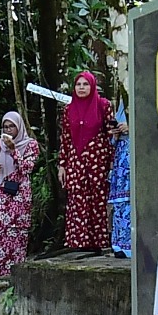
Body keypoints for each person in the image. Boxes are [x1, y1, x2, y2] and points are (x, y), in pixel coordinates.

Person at [58, 71, 114, 252]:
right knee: (78, 199)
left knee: (98, 197)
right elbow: (65, 138)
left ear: (93, 86)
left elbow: (111, 133)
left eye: (86, 84)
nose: (81, 88)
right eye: (78, 84)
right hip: (76, 160)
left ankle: (100, 241)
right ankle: (79, 241)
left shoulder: (103, 105)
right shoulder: (69, 109)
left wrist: (112, 160)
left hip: (98, 159)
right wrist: (62, 165)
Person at [0, 111, 39, 279]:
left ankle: (13, 271)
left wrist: (14, 150)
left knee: (16, 233)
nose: (8, 130)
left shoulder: (30, 145)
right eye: (5, 127)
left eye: (11, 126)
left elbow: (26, 168)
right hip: (0, 193)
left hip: (19, 195)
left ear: (19, 127)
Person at [108, 100, 132, 259]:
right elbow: (112, 142)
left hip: (134, 155)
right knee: (120, 204)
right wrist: (116, 134)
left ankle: (131, 245)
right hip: (121, 159)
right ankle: (119, 245)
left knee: (132, 203)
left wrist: (132, 128)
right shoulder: (124, 103)